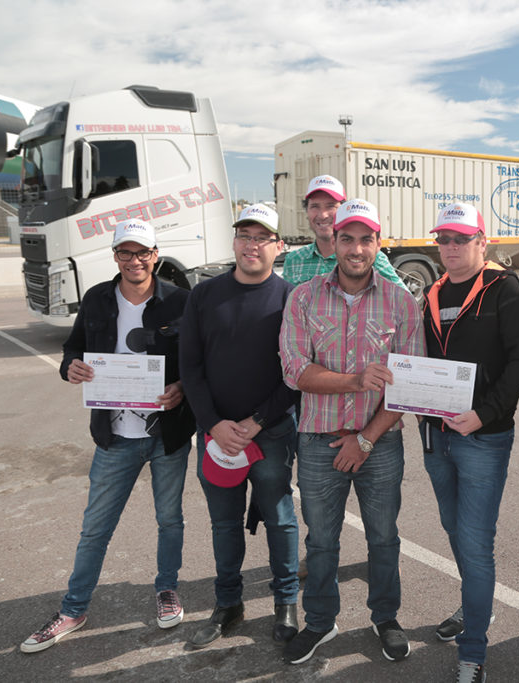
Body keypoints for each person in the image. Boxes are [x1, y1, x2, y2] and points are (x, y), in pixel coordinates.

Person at [21, 219, 195, 653]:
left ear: (155, 255)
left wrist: (182, 387)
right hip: (114, 436)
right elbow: (73, 348)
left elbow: (199, 360)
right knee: (95, 529)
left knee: (170, 519)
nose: (134, 261)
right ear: (115, 256)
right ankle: (73, 608)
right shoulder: (97, 298)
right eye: (125, 252)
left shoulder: (181, 301)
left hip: (167, 434)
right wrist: (71, 367)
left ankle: (167, 588)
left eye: (142, 252)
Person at [279, 198, 425, 665]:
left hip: (379, 442)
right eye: (347, 239)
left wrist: (364, 440)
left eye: (366, 239)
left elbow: (408, 385)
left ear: (378, 244)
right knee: (321, 541)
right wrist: (356, 381)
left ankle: (386, 617)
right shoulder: (303, 298)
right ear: (334, 241)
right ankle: (321, 622)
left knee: (383, 536)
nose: (356, 249)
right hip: (318, 441)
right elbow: (294, 370)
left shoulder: (401, 302)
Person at [420, 203, 519, 682]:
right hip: (436, 437)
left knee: (474, 542)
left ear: (482, 243)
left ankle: (473, 653)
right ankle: (475, 606)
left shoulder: (504, 289)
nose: (450, 247)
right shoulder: (433, 291)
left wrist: (483, 415)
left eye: (461, 239)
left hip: (483, 438)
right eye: (444, 239)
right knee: (454, 528)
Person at [179, 203, 301, 649]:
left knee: (280, 519)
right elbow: (190, 367)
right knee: (224, 524)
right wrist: (213, 424)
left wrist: (257, 420)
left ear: (278, 246)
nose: (252, 245)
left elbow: (296, 373)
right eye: (244, 236)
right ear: (234, 242)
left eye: (262, 238)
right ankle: (228, 604)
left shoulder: (291, 298)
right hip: (216, 437)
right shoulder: (203, 295)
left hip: (271, 432)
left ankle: (286, 602)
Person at [281, 174, 405, 289]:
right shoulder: (294, 260)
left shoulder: (371, 258)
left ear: (343, 210)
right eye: (315, 206)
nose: (323, 215)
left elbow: (404, 300)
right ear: (307, 211)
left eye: (330, 206)